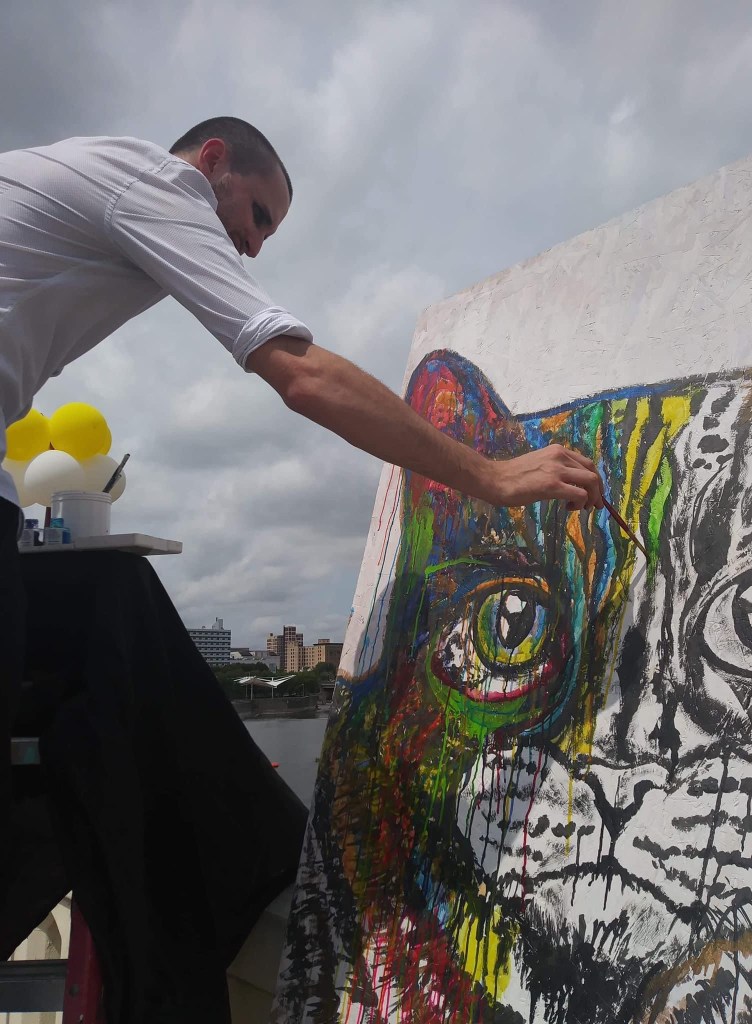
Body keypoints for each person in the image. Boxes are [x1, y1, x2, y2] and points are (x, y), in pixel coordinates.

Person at [0, 116, 603, 1018]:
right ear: (209, 163)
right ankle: (266, 878)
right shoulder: (151, 183)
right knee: (98, 655)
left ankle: (232, 902)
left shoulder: (72, 190)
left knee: (104, 629)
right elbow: (296, 371)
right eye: (256, 214)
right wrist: (488, 474)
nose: (249, 244)